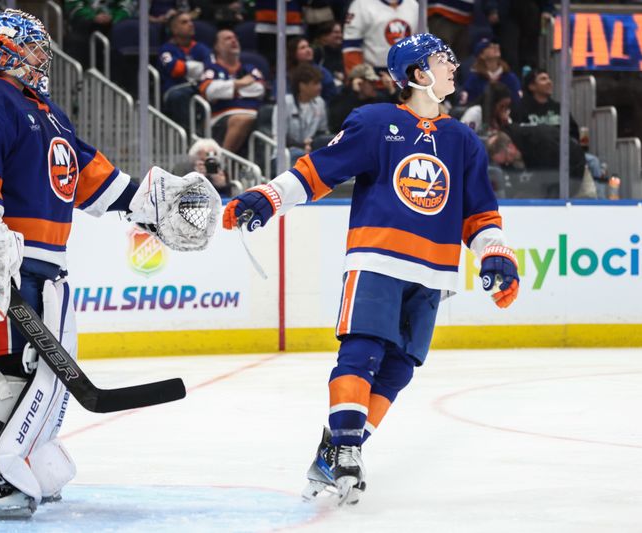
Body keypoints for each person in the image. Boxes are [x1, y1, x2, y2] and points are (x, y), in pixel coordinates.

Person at [0, 9, 217, 519]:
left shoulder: (49, 113)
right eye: (36, 47)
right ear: (9, 50)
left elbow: (89, 176)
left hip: (46, 268)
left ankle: (23, 456)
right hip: (8, 261)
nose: (45, 56)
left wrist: (153, 203)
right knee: (14, 365)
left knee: (43, 368)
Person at [222, 33, 519, 505]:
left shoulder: (463, 140)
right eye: (443, 62)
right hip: (377, 259)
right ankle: (344, 447)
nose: (453, 69)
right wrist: (269, 197)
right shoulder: (376, 122)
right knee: (362, 352)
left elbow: (480, 213)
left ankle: (341, 449)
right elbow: (318, 171)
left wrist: (496, 253)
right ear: (418, 74)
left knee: (399, 367)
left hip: (434, 272)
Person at [198, 29, 266, 153]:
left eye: (235, 37)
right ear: (217, 47)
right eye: (227, 38)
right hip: (222, 117)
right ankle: (223, 161)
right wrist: (240, 83)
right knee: (242, 119)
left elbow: (260, 89)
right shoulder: (211, 68)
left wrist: (228, 90)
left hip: (255, 114)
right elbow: (208, 91)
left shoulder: (249, 68)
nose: (233, 40)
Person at [158, 11, 213, 127]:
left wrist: (185, 67)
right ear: (174, 30)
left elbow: (211, 69)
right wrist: (199, 67)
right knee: (179, 96)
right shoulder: (166, 49)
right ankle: (188, 134)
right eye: (184, 22)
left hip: (200, 87)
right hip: (176, 89)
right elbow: (175, 69)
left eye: (191, 21)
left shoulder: (201, 48)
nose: (190, 24)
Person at [341, 0, 418, 76]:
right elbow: (351, 46)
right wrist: (357, 76)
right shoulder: (360, 5)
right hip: (373, 76)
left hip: (408, 74)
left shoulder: (413, 5)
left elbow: (420, 44)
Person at [274, 63, 330, 161]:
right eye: (315, 83)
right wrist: (303, 145)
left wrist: (312, 144)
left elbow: (322, 132)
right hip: (287, 152)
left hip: (311, 151)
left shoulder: (320, 102)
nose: (320, 87)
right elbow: (280, 137)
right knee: (299, 155)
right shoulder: (285, 103)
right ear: (302, 86)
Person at [327, 62, 397, 133]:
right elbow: (337, 125)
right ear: (358, 82)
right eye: (370, 82)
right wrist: (353, 94)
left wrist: (392, 90)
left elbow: (397, 116)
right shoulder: (341, 98)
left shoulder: (379, 99)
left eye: (374, 82)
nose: (374, 86)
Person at [510, 69, 579, 140]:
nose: (549, 82)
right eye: (543, 79)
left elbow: (574, 133)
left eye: (549, 78)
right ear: (532, 86)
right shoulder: (521, 109)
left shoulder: (559, 107)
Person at [459, 37, 521, 107]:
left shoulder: (510, 77)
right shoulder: (474, 79)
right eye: (489, 47)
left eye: (495, 44)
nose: (496, 46)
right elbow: (466, 104)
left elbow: (517, 103)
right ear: (481, 55)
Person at [287, 37, 338, 102]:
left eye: (308, 46)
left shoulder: (322, 72)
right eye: (302, 48)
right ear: (293, 53)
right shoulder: (286, 72)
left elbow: (331, 97)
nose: (308, 50)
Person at [310, 20, 345, 85]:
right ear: (324, 36)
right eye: (336, 32)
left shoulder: (344, 52)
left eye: (340, 32)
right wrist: (334, 75)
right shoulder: (317, 52)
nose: (340, 35)